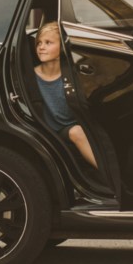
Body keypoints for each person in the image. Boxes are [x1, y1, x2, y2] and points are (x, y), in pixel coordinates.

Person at [33, 22, 98, 168]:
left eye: (48, 42)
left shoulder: (72, 73)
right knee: (77, 132)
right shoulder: (31, 77)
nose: (41, 47)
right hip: (52, 130)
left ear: (62, 46)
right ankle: (109, 177)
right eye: (39, 43)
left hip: (72, 124)